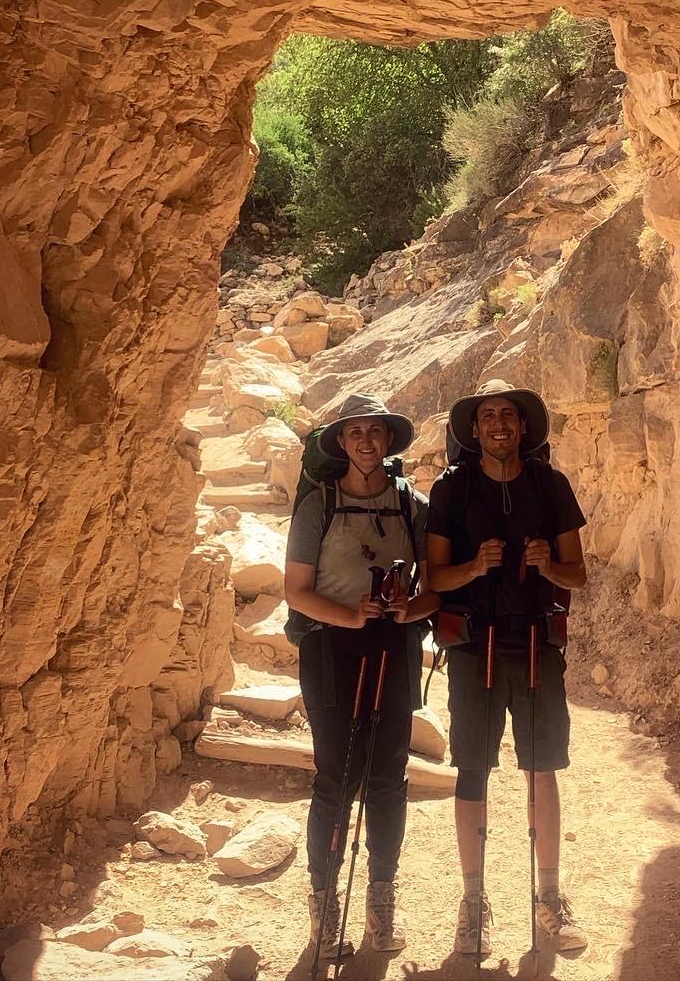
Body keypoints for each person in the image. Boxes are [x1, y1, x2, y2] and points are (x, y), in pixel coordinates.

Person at [426, 378, 589, 956]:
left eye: (508, 416)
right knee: (472, 770)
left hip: (537, 647)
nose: (498, 424)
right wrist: (472, 569)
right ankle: (474, 902)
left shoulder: (550, 485)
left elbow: (578, 574)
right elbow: (434, 579)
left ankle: (550, 897)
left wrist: (549, 566)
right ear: (473, 429)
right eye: (487, 416)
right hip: (474, 650)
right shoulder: (451, 490)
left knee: (541, 768)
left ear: (523, 428)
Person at [284, 393, 439, 963]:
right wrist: (350, 614)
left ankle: (380, 900)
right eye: (356, 433)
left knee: (388, 775)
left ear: (388, 442)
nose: (367, 442)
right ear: (343, 443)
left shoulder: (411, 506)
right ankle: (324, 908)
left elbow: (437, 586)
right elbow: (296, 589)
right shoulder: (317, 504)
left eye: (376, 432)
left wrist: (412, 608)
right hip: (331, 649)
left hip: (393, 646)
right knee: (335, 775)